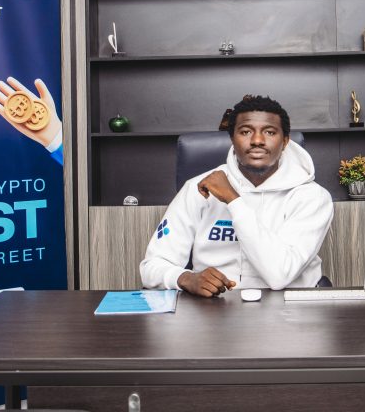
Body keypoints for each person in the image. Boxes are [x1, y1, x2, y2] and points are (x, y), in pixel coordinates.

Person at [140, 95, 334, 297]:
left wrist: (233, 200)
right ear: (232, 139)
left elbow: (279, 275)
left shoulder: (311, 197)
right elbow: (152, 266)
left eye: (269, 132)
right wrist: (186, 278)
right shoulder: (197, 189)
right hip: (215, 309)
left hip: (293, 309)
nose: (257, 140)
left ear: (285, 141)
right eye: (245, 131)